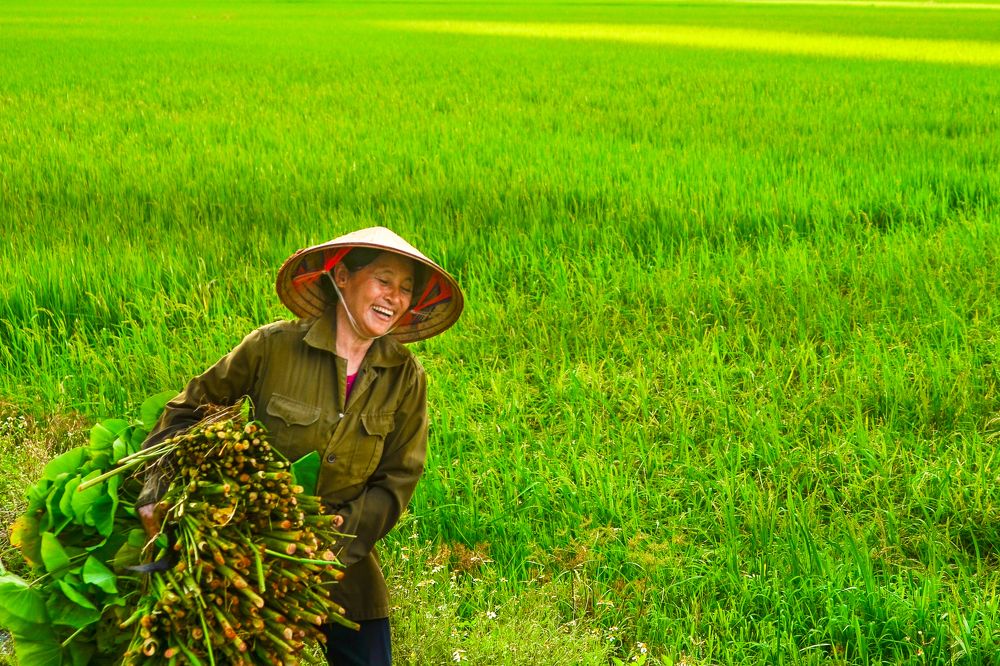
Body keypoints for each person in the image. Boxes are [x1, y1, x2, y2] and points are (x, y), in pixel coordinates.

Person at [135, 226, 464, 666]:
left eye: (406, 289)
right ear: (343, 276)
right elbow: (184, 412)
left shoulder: (405, 377)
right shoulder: (273, 347)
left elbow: (397, 481)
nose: (395, 297)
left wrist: (330, 542)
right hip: (247, 551)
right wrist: (155, 494)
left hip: (343, 553)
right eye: (384, 281)